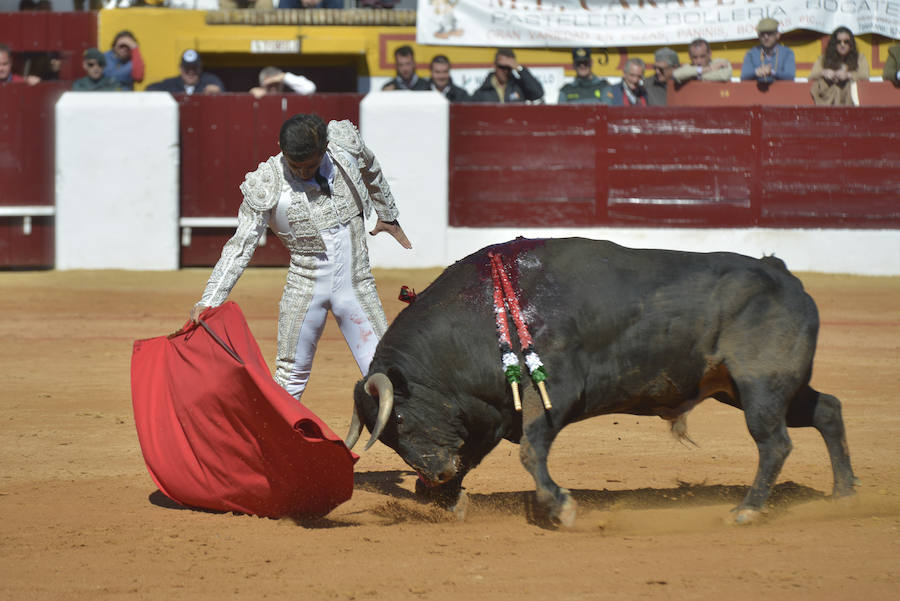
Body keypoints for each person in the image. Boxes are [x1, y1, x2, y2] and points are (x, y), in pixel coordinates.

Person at [189, 114, 412, 401]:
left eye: (311, 165)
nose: (304, 173)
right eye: (296, 166)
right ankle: (275, 445)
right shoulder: (267, 183)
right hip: (305, 287)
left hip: (357, 284)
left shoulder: (343, 146)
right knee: (289, 378)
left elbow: (371, 167)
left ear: (325, 148)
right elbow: (241, 245)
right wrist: (210, 299)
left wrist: (387, 213)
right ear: (282, 150)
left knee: (384, 372)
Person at [808, 27, 869, 106]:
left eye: (846, 42)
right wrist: (824, 72)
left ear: (851, 44)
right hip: (828, 100)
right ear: (834, 44)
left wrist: (848, 75)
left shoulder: (860, 58)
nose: (842, 45)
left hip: (850, 100)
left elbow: (865, 75)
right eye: (838, 42)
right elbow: (812, 75)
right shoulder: (824, 58)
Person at [470, 48, 544, 103]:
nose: (505, 71)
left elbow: (538, 93)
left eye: (509, 67)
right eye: (502, 67)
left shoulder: (519, 87)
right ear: (495, 66)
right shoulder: (483, 92)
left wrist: (519, 68)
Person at [741, 18, 796, 84]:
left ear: (778, 35)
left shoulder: (787, 52)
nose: (766, 37)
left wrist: (771, 72)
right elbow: (743, 76)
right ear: (758, 35)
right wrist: (756, 72)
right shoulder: (751, 53)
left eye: (770, 33)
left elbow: (790, 76)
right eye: (762, 34)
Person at [146, 49, 225, 95]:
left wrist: (216, 91)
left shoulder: (209, 80)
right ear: (180, 69)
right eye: (187, 68)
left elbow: (219, 87)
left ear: (200, 68)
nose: (191, 72)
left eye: (194, 68)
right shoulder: (171, 84)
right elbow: (150, 88)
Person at [250, 66, 316, 99]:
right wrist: (251, 95)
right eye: (270, 85)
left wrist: (284, 77)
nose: (273, 89)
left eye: (276, 84)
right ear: (262, 85)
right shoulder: (257, 96)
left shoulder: (288, 98)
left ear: (282, 85)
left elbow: (310, 88)